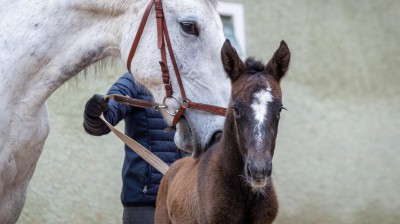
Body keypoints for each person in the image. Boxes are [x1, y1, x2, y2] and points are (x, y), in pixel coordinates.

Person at [83, 72, 187, 224]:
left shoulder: (196, 80)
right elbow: (103, 122)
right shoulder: (135, 80)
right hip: (145, 202)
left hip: (188, 199)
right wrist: (93, 114)